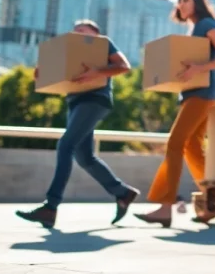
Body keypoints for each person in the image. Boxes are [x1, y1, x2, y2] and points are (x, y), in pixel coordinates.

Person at [15, 20, 140, 229]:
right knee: (85, 158)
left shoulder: (103, 44)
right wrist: (43, 75)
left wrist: (97, 72)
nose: (77, 34)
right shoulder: (68, 51)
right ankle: (123, 192)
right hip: (75, 103)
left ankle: (51, 206)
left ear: (95, 33)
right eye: (75, 31)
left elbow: (124, 66)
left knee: (66, 145)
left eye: (82, 31)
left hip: (95, 100)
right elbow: (56, 75)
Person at [135, 0, 215, 227]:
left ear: (197, 2)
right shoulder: (194, 30)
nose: (181, 4)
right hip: (197, 94)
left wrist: (199, 68)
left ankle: (165, 207)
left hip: (203, 93)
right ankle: (214, 199)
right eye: (179, 0)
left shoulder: (206, 25)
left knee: (175, 143)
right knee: (191, 147)